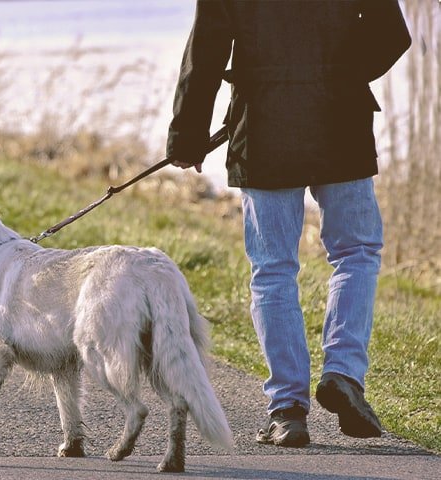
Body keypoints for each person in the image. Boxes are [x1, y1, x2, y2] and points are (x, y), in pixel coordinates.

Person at [166, 0, 411, 447]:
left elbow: (206, 49)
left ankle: (287, 410)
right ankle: (343, 374)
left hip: (263, 130)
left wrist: (187, 133)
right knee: (356, 253)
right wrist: (338, 74)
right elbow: (393, 35)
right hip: (341, 124)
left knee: (273, 268)